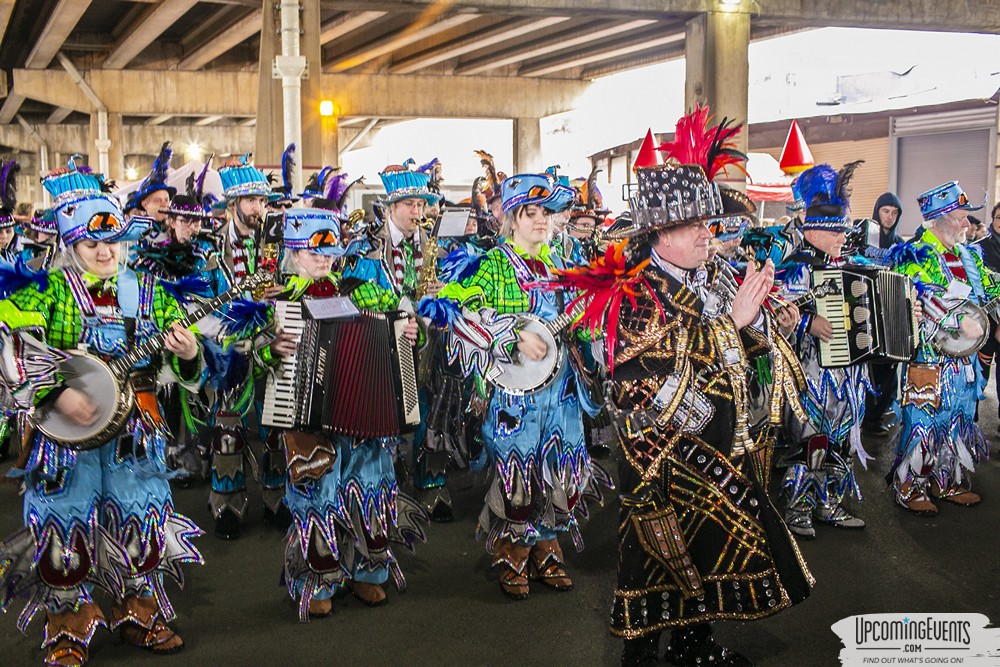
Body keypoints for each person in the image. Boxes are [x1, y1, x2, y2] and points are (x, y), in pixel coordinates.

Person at [596, 109, 812, 666]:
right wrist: (731, 326)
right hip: (660, 457)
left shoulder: (713, 275)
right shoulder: (634, 292)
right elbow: (636, 383)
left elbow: (742, 343)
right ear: (660, 235)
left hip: (720, 444)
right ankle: (640, 658)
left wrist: (770, 324)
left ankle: (695, 647)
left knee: (709, 554)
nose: (706, 234)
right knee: (654, 563)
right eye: (693, 226)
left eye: (707, 225)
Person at [0, 157, 204, 666]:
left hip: (136, 426)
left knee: (141, 517)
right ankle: (67, 625)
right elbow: (12, 348)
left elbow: (196, 365)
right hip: (64, 435)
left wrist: (187, 354)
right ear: (72, 245)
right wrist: (54, 392)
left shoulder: (149, 292)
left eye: (113, 242)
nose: (105, 251)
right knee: (62, 520)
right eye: (92, 244)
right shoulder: (44, 292)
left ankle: (137, 611)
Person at [429, 173, 612, 601]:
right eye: (532, 213)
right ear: (512, 219)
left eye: (547, 213)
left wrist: (591, 319)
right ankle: (514, 547)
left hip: (560, 390)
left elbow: (581, 326)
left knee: (560, 471)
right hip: (514, 396)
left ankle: (546, 541)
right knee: (520, 475)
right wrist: (509, 334)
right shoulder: (492, 264)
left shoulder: (561, 266)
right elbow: (455, 309)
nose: (542, 221)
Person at [344, 161, 449, 519]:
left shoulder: (429, 243)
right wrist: (397, 315)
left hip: (427, 341)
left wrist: (439, 293)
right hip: (383, 343)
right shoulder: (366, 245)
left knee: (433, 409)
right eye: (409, 206)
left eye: (421, 205)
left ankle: (429, 484)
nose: (417, 212)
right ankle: (383, 489)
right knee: (386, 416)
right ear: (390, 208)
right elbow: (354, 295)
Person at [889, 180, 998, 514]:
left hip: (963, 364)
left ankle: (945, 481)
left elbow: (992, 289)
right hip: (926, 359)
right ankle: (911, 487)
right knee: (923, 420)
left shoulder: (968, 255)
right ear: (938, 219)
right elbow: (918, 296)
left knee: (957, 420)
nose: (967, 225)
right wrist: (954, 321)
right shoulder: (915, 253)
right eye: (962, 217)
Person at [779, 162, 874, 539]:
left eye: (845, 231)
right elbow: (771, 312)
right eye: (837, 233)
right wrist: (807, 322)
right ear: (814, 231)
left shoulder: (852, 267)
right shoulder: (790, 268)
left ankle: (829, 503)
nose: (843, 239)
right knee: (810, 438)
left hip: (848, 374)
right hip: (811, 371)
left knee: (841, 439)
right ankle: (798, 507)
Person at [862, 192, 905, 435]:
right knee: (865, 367)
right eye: (885, 211)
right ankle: (862, 416)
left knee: (888, 368)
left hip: (889, 313)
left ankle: (875, 418)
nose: (889, 217)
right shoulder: (864, 238)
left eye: (894, 212)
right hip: (864, 312)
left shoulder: (900, 244)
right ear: (877, 211)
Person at [974, 202, 1000, 428]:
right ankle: (968, 422)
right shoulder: (978, 247)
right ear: (993, 219)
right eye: (999, 217)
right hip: (983, 323)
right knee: (977, 377)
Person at [125, 142, 175, 233]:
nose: (164, 204)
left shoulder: (176, 233)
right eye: (158, 200)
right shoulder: (135, 234)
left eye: (166, 200)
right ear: (145, 205)